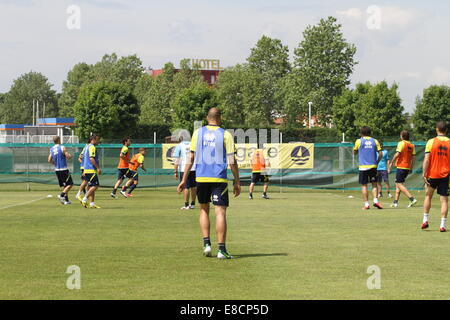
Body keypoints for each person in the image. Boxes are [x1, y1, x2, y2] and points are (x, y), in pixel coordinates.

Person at [177, 107, 241, 259]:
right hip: (218, 178)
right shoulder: (225, 134)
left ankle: (206, 244)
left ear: (207, 117)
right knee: (220, 212)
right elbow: (232, 161)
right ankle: (221, 250)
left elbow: (190, 159)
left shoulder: (198, 133)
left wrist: (184, 179)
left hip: (201, 178)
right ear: (220, 118)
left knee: (204, 210)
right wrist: (237, 181)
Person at [421, 121, 450, 232]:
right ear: (446, 130)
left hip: (432, 174)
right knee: (444, 201)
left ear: (436, 129)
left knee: (428, 196)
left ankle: (425, 220)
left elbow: (427, 159)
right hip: (445, 175)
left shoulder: (431, 142)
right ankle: (442, 225)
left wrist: (424, 173)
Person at [353, 126, 383, 210]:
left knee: (364, 185)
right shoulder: (375, 141)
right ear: (370, 133)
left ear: (361, 133)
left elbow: (354, 152)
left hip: (363, 167)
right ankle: (376, 201)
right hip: (373, 166)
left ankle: (366, 204)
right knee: (374, 184)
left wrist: (356, 151)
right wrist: (377, 162)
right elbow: (380, 153)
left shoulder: (359, 141)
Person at [389, 130, 417, 208]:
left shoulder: (401, 143)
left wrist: (391, 162)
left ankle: (412, 198)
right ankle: (395, 202)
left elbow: (397, 153)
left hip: (401, 166)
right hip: (407, 167)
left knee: (399, 184)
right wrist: (411, 167)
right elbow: (413, 157)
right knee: (398, 184)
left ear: (402, 136)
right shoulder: (412, 145)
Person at [48, 136, 73, 205]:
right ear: (59, 140)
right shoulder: (62, 147)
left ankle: (66, 200)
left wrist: (55, 163)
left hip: (57, 170)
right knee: (70, 184)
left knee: (65, 185)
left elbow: (49, 160)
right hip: (63, 169)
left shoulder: (52, 149)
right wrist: (70, 155)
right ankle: (61, 195)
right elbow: (68, 156)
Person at [173, 137, 197, 210]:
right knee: (194, 187)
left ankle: (186, 204)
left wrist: (175, 171)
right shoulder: (193, 145)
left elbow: (176, 159)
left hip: (184, 169)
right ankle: (192, 204)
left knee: (186, 187)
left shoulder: (179, 146)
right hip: (194, 168)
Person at [80, 134, 102, 209]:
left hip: (86, 170)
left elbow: (83, 159)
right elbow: (91, 158)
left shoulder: (86, 147)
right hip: (91, 170)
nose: (98, 141)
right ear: (93, 139)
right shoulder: (92, 147)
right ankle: (84, 199)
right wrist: (98, 168)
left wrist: (84, 170)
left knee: (90, 187)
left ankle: (92, 204)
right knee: (95, 186)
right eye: (97, 139)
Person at [76, 137, 91, 202]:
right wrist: (84, 164)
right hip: (85, 168)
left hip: (87, 167)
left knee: (88, 182)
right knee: (85, 181)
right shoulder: (87, 147)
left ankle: (86, 195)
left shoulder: (88, 147)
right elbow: (79, 158)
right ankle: (78, 194)